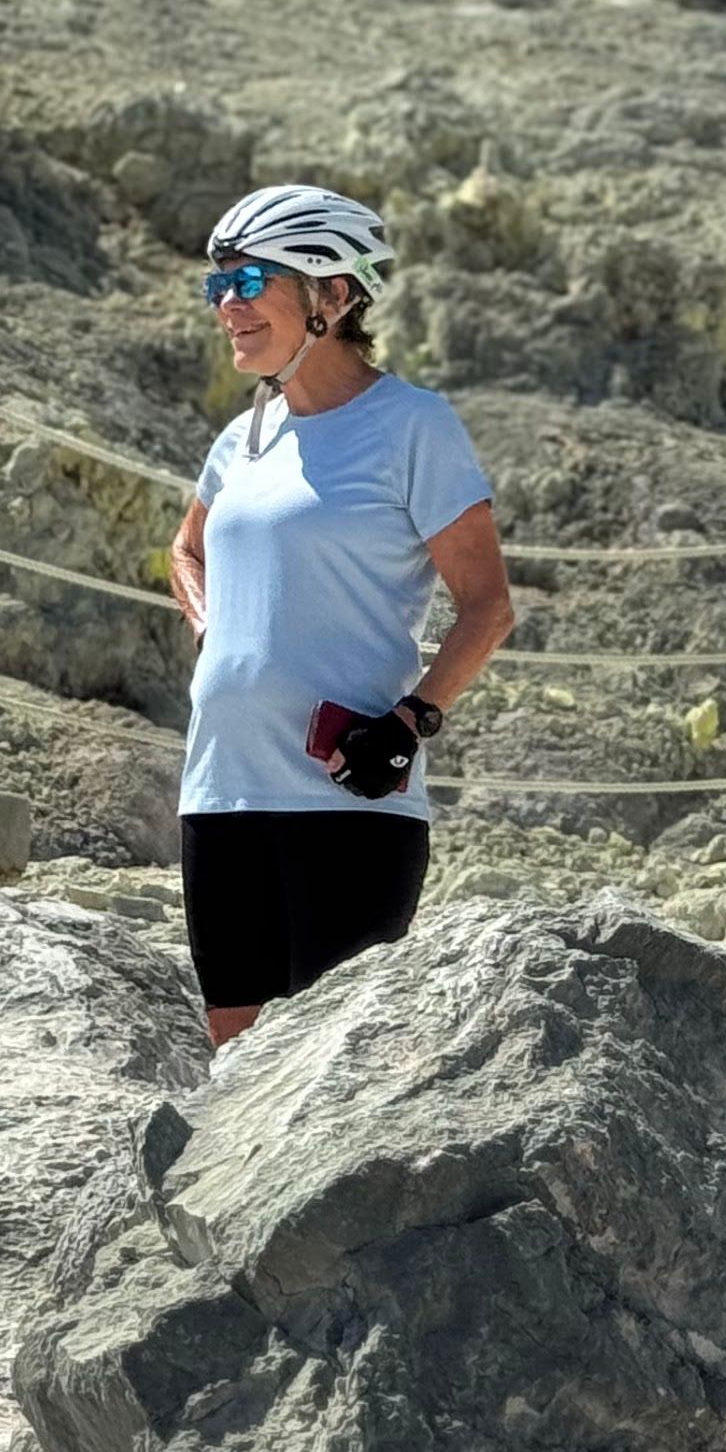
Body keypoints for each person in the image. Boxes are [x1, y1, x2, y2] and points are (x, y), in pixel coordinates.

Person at [164, 184, 512, 1064]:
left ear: (332, 295)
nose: (227, 306)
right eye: (217, 288)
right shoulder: (241, 437)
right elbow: (184, 551)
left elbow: (488, 606)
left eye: (248, 281)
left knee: (335, 1074)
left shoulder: (412, 425)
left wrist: (412, 723)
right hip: (221, 789)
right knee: (234, 1069)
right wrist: (216, 632)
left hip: (346, 796)